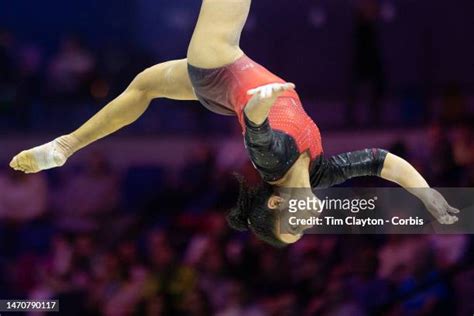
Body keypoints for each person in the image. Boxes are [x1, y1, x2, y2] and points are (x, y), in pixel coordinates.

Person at [10, 0, 459, 247]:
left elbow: (258, 126)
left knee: (150, 82)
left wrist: (262, 103)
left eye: (295, 223)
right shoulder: (323, 170)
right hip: (220, 93)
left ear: (277, 205)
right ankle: (64, 147)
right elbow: (384, 162)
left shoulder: (274, 161)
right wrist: (431, 198)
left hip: (219, 63)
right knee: (144, 88)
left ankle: (65, 147)